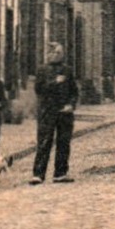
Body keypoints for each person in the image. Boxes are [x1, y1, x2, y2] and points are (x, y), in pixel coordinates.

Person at [31, 43, 78, 184]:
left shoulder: (67, 70)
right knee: (44, 142)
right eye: (55, 52)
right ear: (48, 54)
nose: (58, 55)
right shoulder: (42, 70)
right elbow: (39, 89)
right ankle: (38, 174)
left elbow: (74, 91)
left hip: (64, 112)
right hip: (47, 111)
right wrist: (54, 82)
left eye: (60, 53)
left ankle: (60, 173)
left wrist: (71, 104)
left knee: (64, 142)